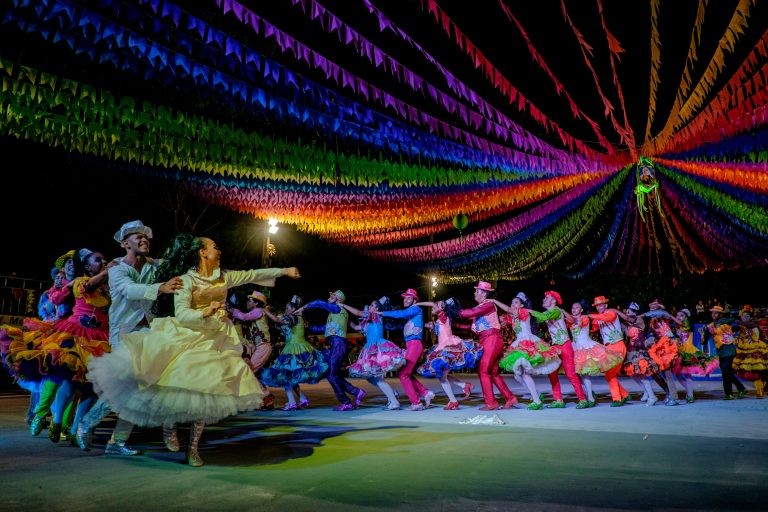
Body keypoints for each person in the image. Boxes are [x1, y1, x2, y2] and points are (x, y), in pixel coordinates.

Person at [88, 233, 300, 467]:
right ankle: (168, 427)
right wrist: (205, 312)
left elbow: (254, 274)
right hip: (186, 337)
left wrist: (283, 271)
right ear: (203, 252)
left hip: (214, 340)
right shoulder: (186, 280)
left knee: (205, 393)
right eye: (214, 246)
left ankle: (193, 449)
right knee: (172, 384)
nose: (219, 250)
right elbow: (183, 314)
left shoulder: (224, 277)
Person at [76, 220, 184, 456]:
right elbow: (129, 290)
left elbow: (179, 265)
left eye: (146, 237)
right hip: (125, 335)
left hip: (148, 334)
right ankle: (88, 423)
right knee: (124, 389)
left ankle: (117, 441)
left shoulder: (153, 266)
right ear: (126, 244)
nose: (144, 240)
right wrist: (160, 288)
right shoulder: (117, 270)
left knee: (139, 391)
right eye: (138, 237)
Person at [300, 290, 366, 411]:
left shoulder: (337, 309)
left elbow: (319, 303)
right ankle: (356, 392)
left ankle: (346, 402)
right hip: (336, 344)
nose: (329, 297)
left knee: (331, 375)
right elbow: (323, 328)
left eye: (333, 296)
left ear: (339, 300)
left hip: (338, 343)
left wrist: (304, 307)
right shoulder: (337, 314)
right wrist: (308, 326)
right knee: (333, 374)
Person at [457, 281, 518, 411]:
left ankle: (491, 402)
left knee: (483, 370)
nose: (475, 293)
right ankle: (510, 398)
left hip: (492, 339)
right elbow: (469, 326)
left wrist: (457, 311)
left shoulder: (488, 305)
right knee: (493, 372)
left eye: (477, 291)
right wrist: (454, 324)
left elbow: (469, 313)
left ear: (484, 293)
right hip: (488, 340)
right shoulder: (481, 309)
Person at [261, 295, 329, 411]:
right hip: (297, 346)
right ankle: (302, 399)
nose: (286, 310)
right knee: (291, 377)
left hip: (294, 349)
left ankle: (292, 402)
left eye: (288, 308)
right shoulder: (297, 318)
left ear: (293, 309)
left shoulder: (294, 318)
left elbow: (277, 320)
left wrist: (264, 310)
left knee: (285, 376)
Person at [496, 293, 560, 410]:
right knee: (517, 375)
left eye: (516, 302)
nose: (513, 304)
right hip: (518, 343)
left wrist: (495, 301)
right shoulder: (514, 316)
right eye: (512, 302)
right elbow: (505, 318)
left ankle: (536, 400)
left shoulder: (524, 311)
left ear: (521, 305)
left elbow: (510, 310)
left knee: (524, 373)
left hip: (527, 342)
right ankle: (537, 393)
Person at [416, 297, 482, 410]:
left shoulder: (443, 316)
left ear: (442, 309)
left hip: (448, 347)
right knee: (442, 375)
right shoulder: (439, 319)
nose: (435, 305)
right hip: (443, 346)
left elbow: (432, 304)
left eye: (438, 304)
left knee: (442, 377)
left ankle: (454, 401)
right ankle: (463, 386)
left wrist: (417, 303)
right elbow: (427, 325)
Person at [343, 296, 406, 410]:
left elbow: (358, 313)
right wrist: (346, 318)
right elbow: (356, 327)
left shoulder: (376, 315)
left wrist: (343, 305)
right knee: (370, 377)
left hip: (378, 348)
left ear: (376, 308)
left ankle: (394, 401)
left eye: (372, 305)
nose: (370, 307)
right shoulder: (368, 321)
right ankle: (392, 393)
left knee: (377, 378)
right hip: (369, 349)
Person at [528, 291, 589, 409]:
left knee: (570, 374)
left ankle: (582, 399)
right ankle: (558, 399)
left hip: (565, 344)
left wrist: (529, 311)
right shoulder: (547, 312)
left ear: (554, 301)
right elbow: (540, 318)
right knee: (552, 373)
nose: (544, 300)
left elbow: (543, 317)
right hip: (555, 346)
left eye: (547, 298)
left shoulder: (556, 310)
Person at [379, 288, 435, 411]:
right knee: (405, 373)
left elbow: (400, 314)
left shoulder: (415, 309)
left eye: (409, 298)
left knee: (403, 374)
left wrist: (383, 313)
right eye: (404, 298)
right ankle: (425, 393)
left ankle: (416, 403)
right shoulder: (412, 312)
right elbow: (407, 320)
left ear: (415, 300)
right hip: (411, 344)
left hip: (414, 344)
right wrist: (426, 325)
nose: (405, 299)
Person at [564, 300, 623, 407]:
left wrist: (563, 312)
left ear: (581, 310)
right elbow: (568, 322)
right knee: (575, 374)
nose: (574, 309)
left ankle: (590, 397)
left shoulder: (585, 318)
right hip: (575, 348)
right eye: (573, 307)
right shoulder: (570, 320)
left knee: (584, 373)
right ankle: (590, 393)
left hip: (586, 347)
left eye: (577, 307)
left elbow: (578, 323)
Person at [228, 289, 275, 409]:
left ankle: (266, 397)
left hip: (263, 347)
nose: (247, 302)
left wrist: (233, 310)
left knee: (248, 372)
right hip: (259, 347)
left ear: (256, 303)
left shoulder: (258, 311)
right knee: (253, 373)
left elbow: (243, 317)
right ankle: (266, 399)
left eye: (250, 300)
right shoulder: (256, 312)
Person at [589, 296, 631, 406]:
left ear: (606, 305)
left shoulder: (611, 312)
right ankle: (625, 394)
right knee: (608, 375)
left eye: (601, 305)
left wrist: (591, 315)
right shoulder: (599, 317)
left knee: (611, 374)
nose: (599, 307)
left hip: (617, 345)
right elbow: (594, 328)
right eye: (597, 306)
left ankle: (617, 398)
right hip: (609, 348)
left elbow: (607, 318)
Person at [707, 304, 747, 400]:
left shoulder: (725, 321)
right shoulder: (711, 325)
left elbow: (732, 320)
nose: (713, 314)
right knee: (727, 372)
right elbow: (705, 339)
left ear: (720, 314)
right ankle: (741, 388)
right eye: (712, 312)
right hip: (720, 351)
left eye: (716, 312)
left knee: (725, 371)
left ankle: (729, 394)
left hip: (729, 349)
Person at [733, 305, 766, 398]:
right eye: (744, 316)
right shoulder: (741, 326)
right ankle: (742, 388)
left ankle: (760, 391)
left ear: (750, 317)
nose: (745, 317)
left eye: (747, 316)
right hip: (743, 350)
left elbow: (750, 328)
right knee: (737, 369)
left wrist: (735, 321)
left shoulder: (752, 324)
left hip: (754, 350)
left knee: (756, 371)